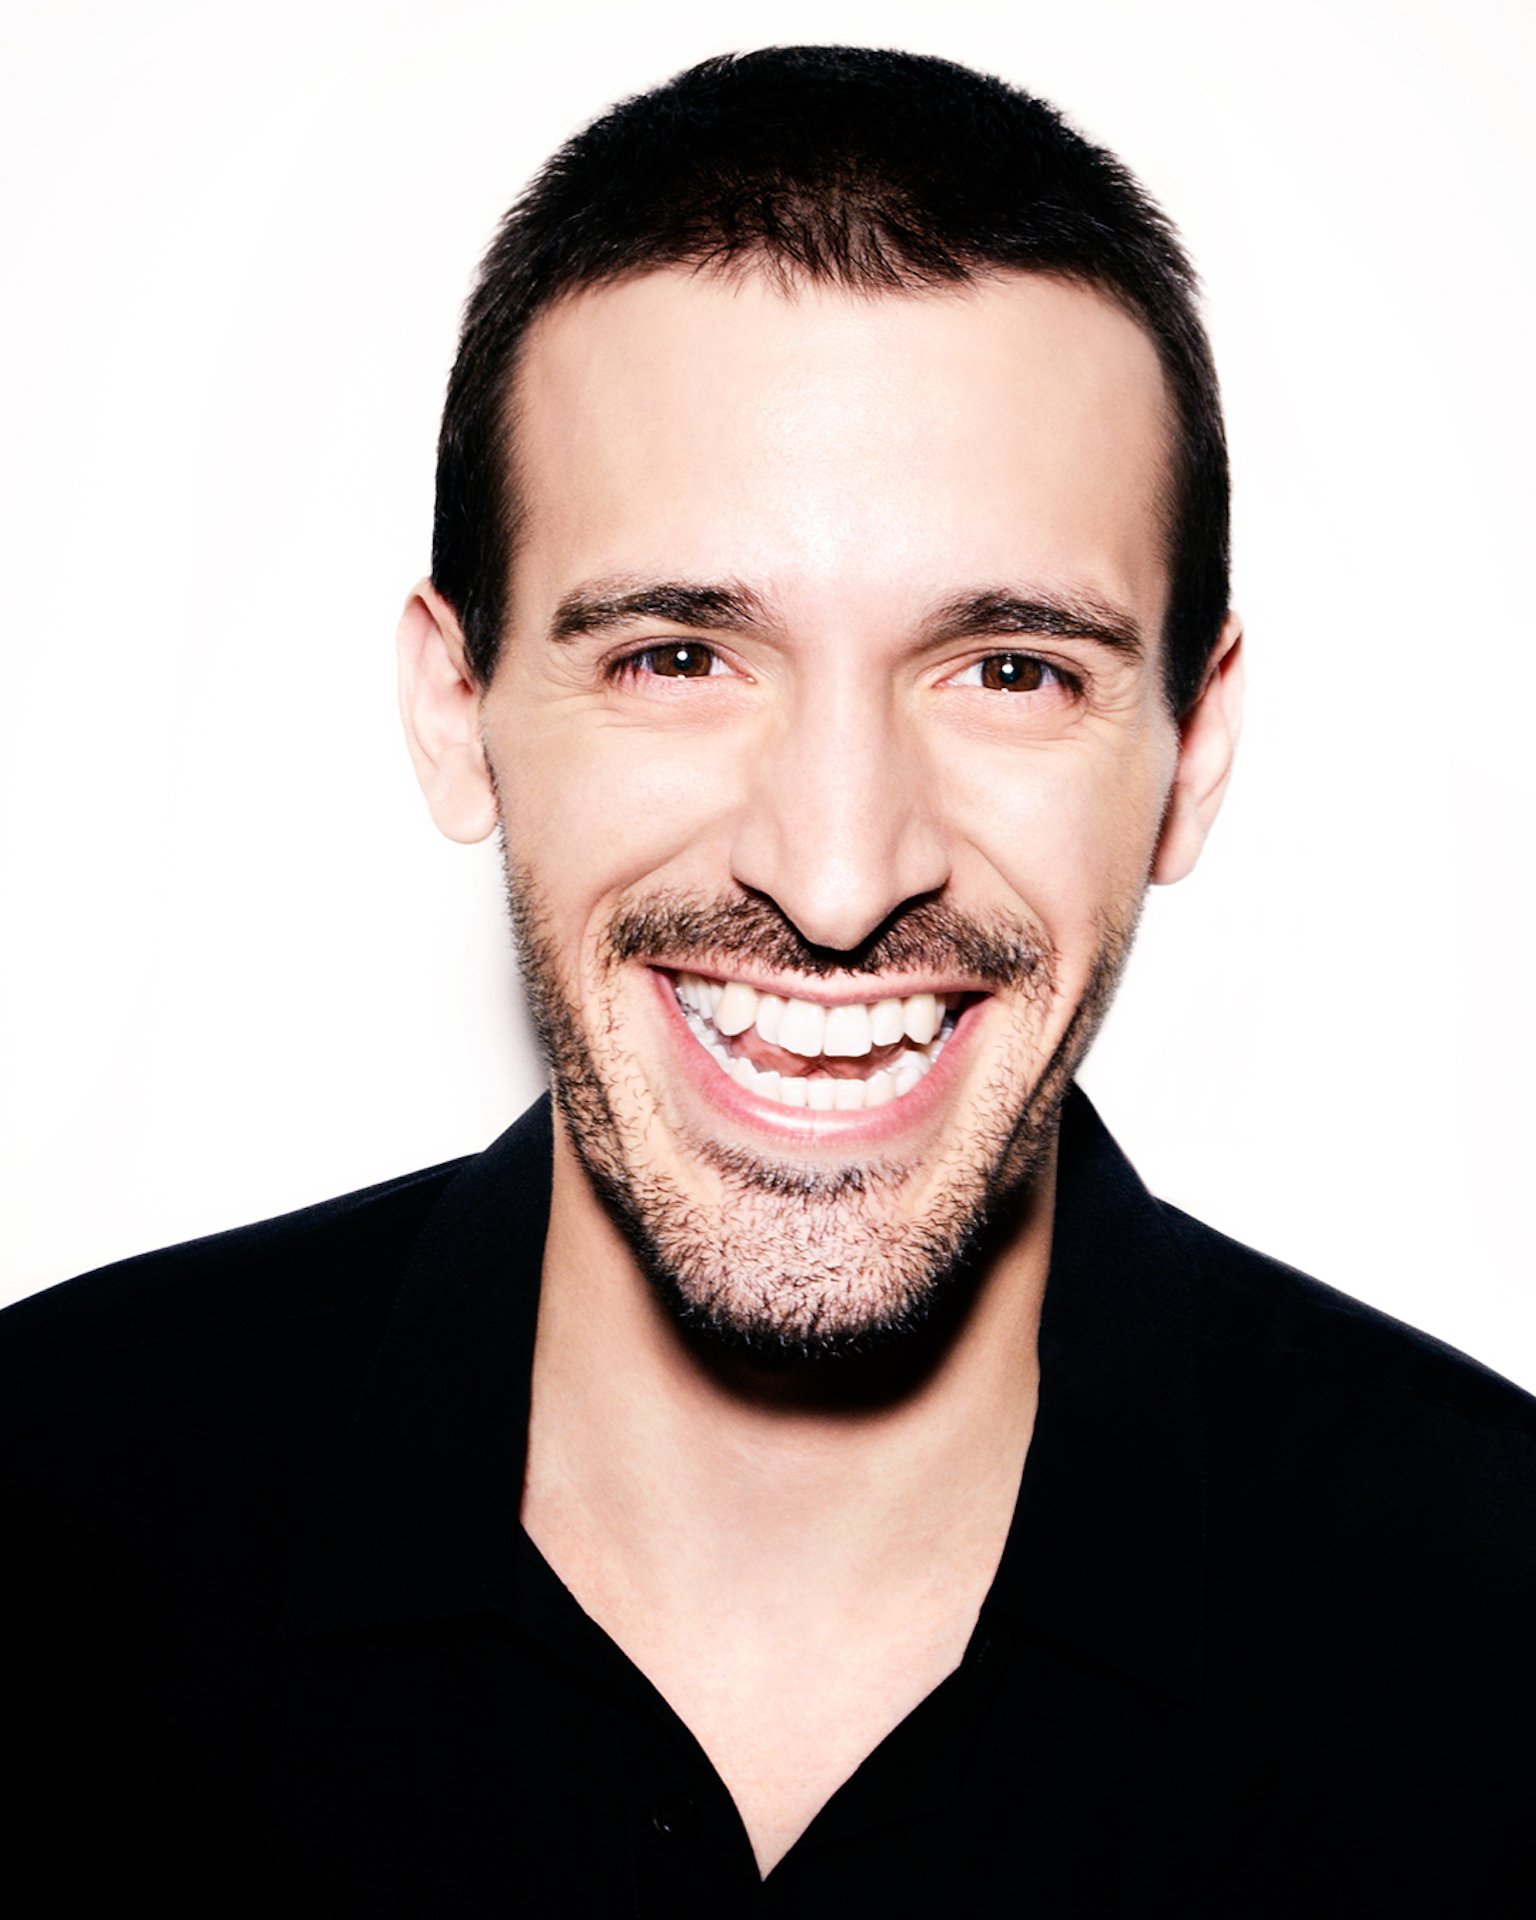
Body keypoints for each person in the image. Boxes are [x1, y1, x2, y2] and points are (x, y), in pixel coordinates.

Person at [4, 45, 1532, 1915]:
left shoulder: (1499, 1631)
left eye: (1011, 671)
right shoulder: (41, 1533)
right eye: (675, 656)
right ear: (456, 712)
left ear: (1192, 751)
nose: (832, 873)